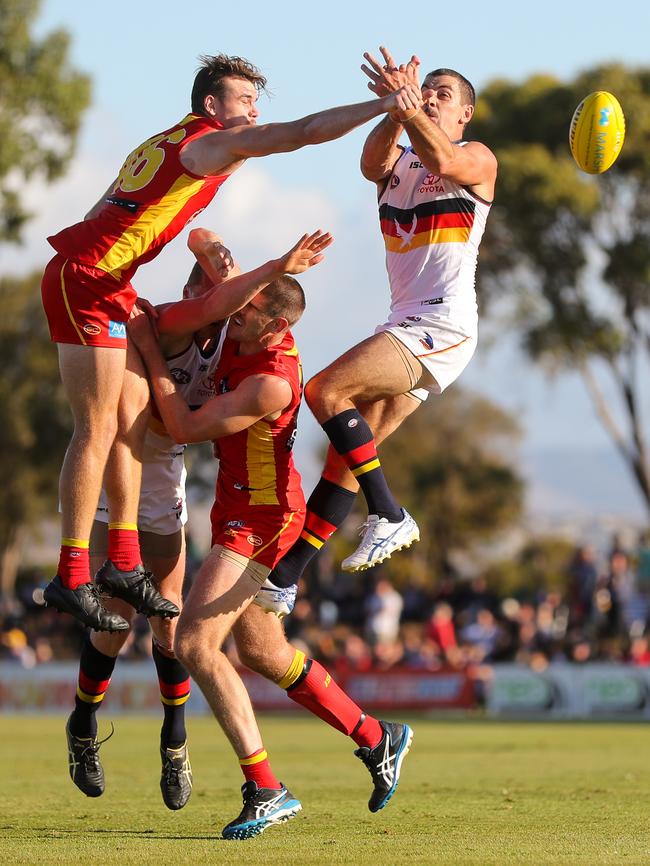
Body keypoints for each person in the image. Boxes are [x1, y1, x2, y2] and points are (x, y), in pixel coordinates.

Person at [41, 52, 423, 632]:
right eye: (245, 101)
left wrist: (173, 254)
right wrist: (385, 104)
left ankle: (121, 562)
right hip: (89, 281)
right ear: (213, 106)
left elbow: (109, 212)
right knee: (96, 429)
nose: (255, 112)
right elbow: (301, 134)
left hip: (99, 278)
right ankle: (71, 574)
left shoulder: (172, 143)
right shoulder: (213, 142)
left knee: (125, 425)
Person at [129, 273, 413, 839]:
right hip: (239, 511)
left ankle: (265, 787)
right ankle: (377, 738)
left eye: (246, 313)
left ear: (276, 325)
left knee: (193, 642)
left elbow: (183, 424)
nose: (232, 317)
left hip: (260, 521)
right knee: (261, 649)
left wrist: (146, 346)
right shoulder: (248, 329)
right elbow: (206, 243)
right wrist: (243, 263)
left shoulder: (272, 383)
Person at [63, 228, 332, 811]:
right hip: (127, 456)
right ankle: (83, 725)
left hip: (172, 468)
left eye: (232, 307)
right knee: (115, 622)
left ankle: (175, 740)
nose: (223, 318)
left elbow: (209, 247)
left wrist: (225, 261)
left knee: (169, 617)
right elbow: (198, 239)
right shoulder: (168, 326)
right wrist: (215, 260)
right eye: (217, 305)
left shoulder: (236, 331)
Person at [268, 47, 497, 588]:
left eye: (445, 95)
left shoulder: (477, 157)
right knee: (349, 453)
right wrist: (395, 110)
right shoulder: (399, 161)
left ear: (464, 114)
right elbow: (371, 165)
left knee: (323, 390)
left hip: (442, 324)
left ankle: (389, 513)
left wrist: (412, 108)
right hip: (405, 320)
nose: (433, 99)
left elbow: (443, 161)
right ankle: (285, 578)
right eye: (429, 90)